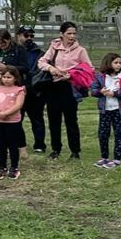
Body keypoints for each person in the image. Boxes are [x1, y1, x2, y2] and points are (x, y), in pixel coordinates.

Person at [37, 21, 93, 160]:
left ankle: (75, 151)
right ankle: (56, 149)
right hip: (53, 86)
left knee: (71, 120)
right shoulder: (54, 47)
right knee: (53, 119)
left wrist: (72, 74)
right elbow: (41, 62)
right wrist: (51, 68)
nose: (72, 36)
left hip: (70, 87)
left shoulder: (81, 50)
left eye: (74, 33)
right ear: (61, 34)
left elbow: (89, 69)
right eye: (69, 33)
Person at [89, 52, 121, 169]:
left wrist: (115, 93)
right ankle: (104, 157)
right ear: (108, 63)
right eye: (116, 63)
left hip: (119, 110)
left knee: (119, 134)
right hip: (105, 110)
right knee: (103, 133)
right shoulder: (100, 77)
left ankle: (117, 159)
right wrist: (100, 91)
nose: (119, 65)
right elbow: (93, 90)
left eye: (120, 63)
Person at [0, 66, 26, 180]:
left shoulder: (19, 90)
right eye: (4, 77)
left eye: (9, 77)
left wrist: (6, 113)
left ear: (15, 78)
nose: (6, 79)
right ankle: (2, 167)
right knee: (1, 145)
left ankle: (14, 168)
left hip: (13, 122)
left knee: (12, 145)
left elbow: (18, 105)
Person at [17, 26, 47, 153]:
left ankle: (39, 145)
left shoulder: (39, 53)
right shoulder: (15, 51)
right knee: (16, 118)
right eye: (26, 35)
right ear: (18, 36)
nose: (29, 38)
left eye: (31, 36)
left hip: (34, 90)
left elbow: (40, 70)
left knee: (37, 118)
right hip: (17, 89)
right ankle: (18, 143)